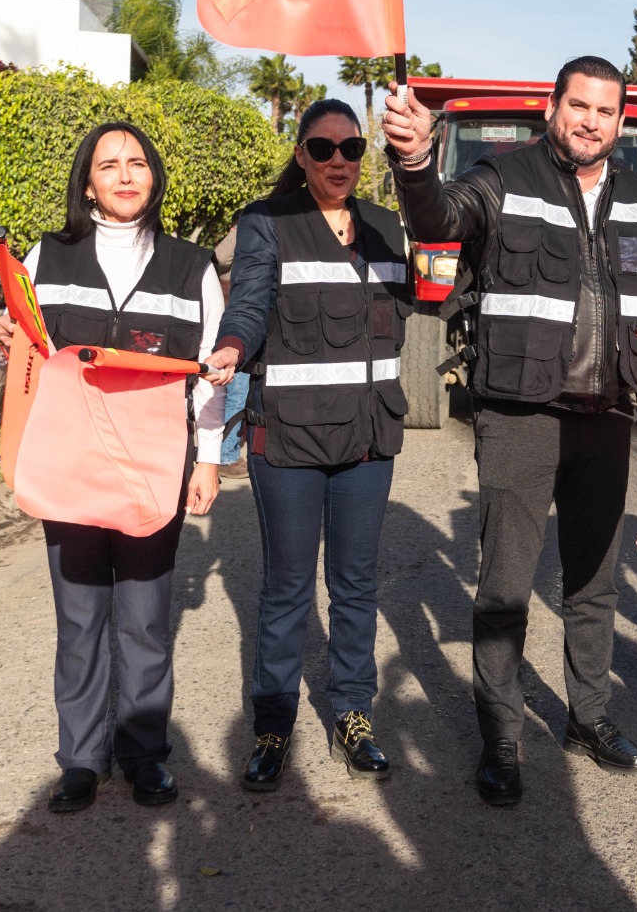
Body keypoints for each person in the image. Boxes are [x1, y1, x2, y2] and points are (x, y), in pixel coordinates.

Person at [382, 55, 637, 807]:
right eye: (579, 106)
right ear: (553, 108)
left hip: (607, 417)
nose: (591, 122)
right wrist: (415, 159)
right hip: (520, 415)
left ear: (619, 121)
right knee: (506, 588)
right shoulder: (503, 176)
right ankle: (502, 737)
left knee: (594, 584)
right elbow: (437, 219)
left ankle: (590, 717)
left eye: (605, 112)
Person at [0, 122, 224, 814]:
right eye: (108, 165)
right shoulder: (47, 255)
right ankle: (82, 759)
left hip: (153, 467)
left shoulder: (192, 266)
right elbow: (23, 349)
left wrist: (207, 461)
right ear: (86, 182)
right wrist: (2, 343)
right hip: (69, 464)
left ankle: (144, 754)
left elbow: (211, 375)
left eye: (137, 163)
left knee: (147, 619)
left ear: (154, 175)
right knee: (80, 616)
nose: (125, 175)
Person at [203, 99, 411, 789]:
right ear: (300, 156)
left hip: (366, 436)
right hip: (287, 436)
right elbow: (251, 299)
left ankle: (353, 713)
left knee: (355, 585)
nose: (337, 162)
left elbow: (427, 297)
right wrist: (233, 344)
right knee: (288, 587)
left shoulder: (384, 229)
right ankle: (273, 722)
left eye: (350, 149)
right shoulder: (268, 222)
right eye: (321, 150)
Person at [211, 217, 249, 482]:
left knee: (237, 390)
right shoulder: (247, 228)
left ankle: (225, 451)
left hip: (239, 322)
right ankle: (226, 456)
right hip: (234, 325)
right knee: (237, 390)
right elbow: (219, 257)